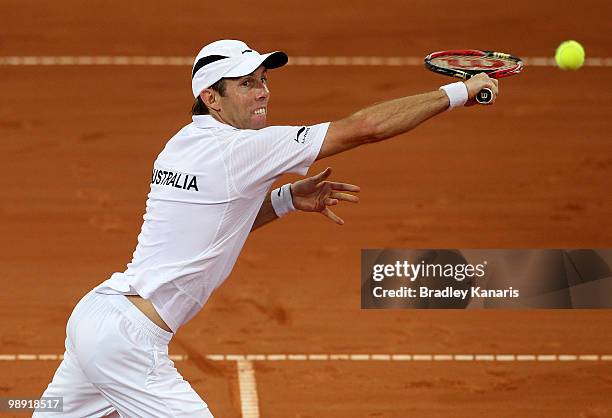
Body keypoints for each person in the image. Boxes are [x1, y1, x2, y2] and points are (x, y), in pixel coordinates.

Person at [35, 39, 499, 417]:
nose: (262, 92)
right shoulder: (243, 150)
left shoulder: (181, 145)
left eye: (262, 80)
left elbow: (217, 223)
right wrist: (459, 92)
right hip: (128, 343)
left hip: (96, 321)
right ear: (211, 99)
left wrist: (286, 198)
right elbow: (365, 127)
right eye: (245, 84)